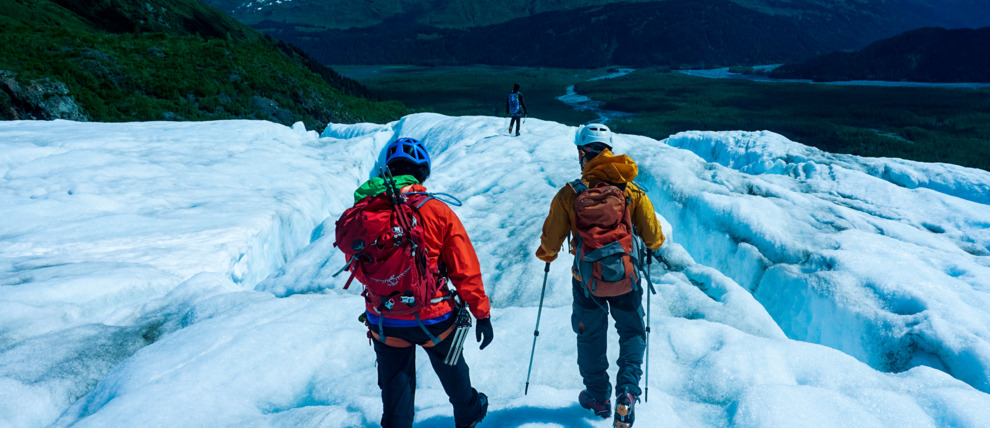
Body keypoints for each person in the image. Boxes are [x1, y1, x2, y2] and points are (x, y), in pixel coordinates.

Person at [343, 137, 493, 428]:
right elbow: (465, 269)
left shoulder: (365, 211)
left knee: (395, 395)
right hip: (433, 316)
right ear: (422, 173)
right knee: (452, 366)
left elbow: (358, 263)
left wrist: (389, 288)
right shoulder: (436, 210)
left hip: (385, 318)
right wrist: (482, 314)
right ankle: (468, 412)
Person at [535, 124, 665, 428]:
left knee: (590, 336)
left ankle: (597, 396)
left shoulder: (570, 194)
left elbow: (550, 243)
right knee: (632, 331)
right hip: (626, 279)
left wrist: (547, 256)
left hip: (586, 282)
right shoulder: (631, 190)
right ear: (609, 152)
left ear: (583, 154)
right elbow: (654, 238)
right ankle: (628, 393)